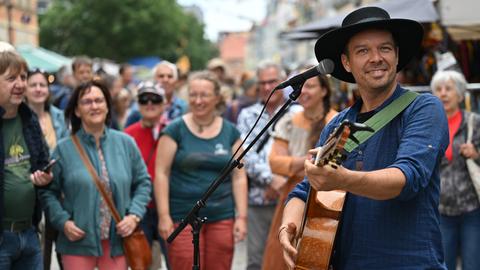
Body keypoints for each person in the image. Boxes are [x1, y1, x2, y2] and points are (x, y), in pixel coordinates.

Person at [279, 6, 449, 269]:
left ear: (396, 55)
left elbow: (407, 179)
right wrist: (287, 228)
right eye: (363, 51)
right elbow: (306, 190)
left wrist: (342, 179)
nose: (376, 58)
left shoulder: (423, 108)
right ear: (347, 63)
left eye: (385, 48)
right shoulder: (340, 124)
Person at [39, 80, 151, 270]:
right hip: (78, 242)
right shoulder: (63, 149)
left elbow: (143, 182)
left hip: (117, 242)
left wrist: (134, 216)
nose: (94, 106)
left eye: (99, 100)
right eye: (87, 102)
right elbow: (48, 192)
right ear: (76, 110)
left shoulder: (126, 143)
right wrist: (63, 222)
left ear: (108, 106)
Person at [155, 71, 247, 270]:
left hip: (222, 216)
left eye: (204, 95)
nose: (198, 101)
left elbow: (239, 177)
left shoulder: (231, 132)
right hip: (182, 217)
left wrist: (241, 217)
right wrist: (164, 216)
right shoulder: (174, 130)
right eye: (193, 95)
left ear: (216, 97)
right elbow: (161, 173)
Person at [262, 66, 337, 270]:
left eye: (310, 86)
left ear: (324, 90)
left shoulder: (337, 121)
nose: (304, 91)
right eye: (301, 86)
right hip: (293, 195)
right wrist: (306, 161)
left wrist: (292, 165)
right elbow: (275, 163)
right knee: (281, 256)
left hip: (328, 199)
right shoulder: (289, 121)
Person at [0, 50, 53, 269]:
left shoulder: (29, 120)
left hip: (29, 233)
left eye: (23, 77)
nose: (20, 84)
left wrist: (43, 176)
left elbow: (42, 164)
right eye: (11, 78)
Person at [236, 61, 290, 270]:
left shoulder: (296, 113)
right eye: (263, 83)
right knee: (256, 261)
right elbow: (245, 154)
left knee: (285, 258)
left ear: (283, 83)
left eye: (273, 82)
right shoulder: (247, 114)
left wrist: (282, 184)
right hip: (258, 199)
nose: (268, 87)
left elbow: (300, 153)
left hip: (288, 198)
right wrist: (270, 179)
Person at [431, 70, 480, 270]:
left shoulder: (474, 122)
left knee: (472, 264)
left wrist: (476, 154)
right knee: (443, 265)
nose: (443, 94)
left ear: (459, 94)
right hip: (440, 210)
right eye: (438, 89)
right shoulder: (430, 125)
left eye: (448, 89)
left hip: (472, 209)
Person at [25, 68, 69, 270]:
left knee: (63, 246)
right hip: (32, 190)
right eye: (33, 85)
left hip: (59, 188)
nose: (38, 89)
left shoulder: (58, 116)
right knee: (40, 246)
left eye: (42, 85)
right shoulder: (20, 118)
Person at [124, 81, 170, 269]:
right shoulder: (128, 135)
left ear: (164, 103)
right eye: (144, 99)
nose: (149, 104)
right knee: (142, 263)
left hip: (169, 206)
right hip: (139, 210)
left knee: (177, 260)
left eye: (155, 99)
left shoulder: (172, 131)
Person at [125, 61, 188, 127]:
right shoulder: (139, 107)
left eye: (170, 76)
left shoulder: (184, 108)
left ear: (176, 81)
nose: (165, 80)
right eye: (161, 76)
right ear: (154, 79)